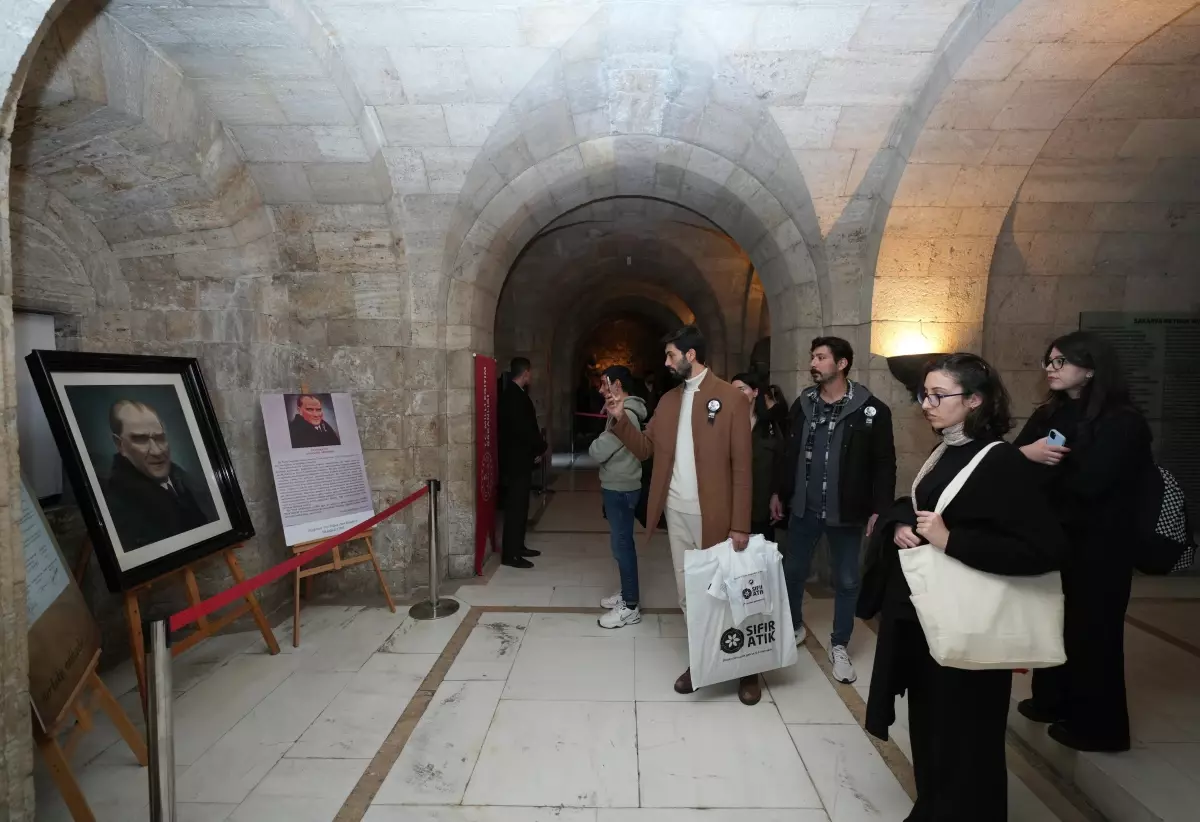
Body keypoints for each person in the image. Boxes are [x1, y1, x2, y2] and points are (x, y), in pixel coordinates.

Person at [858, 354, 1066, 822]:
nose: (927, 405)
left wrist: (952, 540)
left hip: (971, 620)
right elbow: (922, 507)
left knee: (966, 733)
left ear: (975, 400)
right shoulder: (946, 450)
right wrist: (900, 525)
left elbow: (1044, 548)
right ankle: (934, 805)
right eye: (923, 395)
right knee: (933, 726)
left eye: (938, 396)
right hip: (933, 618)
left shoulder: (1000, 461)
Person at [1013, 331, 1153, 753]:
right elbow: (1018, 458)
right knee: (1055, 621)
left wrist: (1048, 465)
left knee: (1094, 634)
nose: (1052, 369)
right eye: (1049, 362)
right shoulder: (1051, 412)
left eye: (1061, 362)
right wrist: (1034, 461)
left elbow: (1092, 483)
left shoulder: (1122, 420)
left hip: (1101, 547)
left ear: (1090, 368)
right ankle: (1052, 699)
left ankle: (1100, 727)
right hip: (1057, 539)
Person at [606, 325, 758, 705]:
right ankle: (703, 662)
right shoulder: (669, 401)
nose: (666, 362)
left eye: (671, 355)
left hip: (718, 515)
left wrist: (741, 523)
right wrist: (620, 418)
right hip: (676, 512)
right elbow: (644, 450)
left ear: (691, 355)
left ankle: (746, 668)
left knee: (727, 592)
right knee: (689, 595)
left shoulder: (730, 398)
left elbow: (742, 467)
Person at [770, 336, 896, 684]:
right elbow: (789, 452)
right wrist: (781, 492)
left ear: (841, 364)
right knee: (793, 571)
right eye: (812, 356)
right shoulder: (804, 403)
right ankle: (794, 626)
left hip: (846, 510)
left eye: (821, 357)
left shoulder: (871, 410)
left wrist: (879, 508)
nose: (814, 363)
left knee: (847, 579)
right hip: (804, 508)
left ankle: (839, 643)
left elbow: (884, 464)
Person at [104, 400, 218, 550]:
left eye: (160, 438)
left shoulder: (190, 483)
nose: (157, 451)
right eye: (141, 439)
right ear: (120, 445)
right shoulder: (117, 508)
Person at [590, 366, 649, 629]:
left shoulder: (627, 415)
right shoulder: (622, 412)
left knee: (623, 546)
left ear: (617, 384)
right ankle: (626, 594)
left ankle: (630, 606)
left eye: (604, 384)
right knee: (620, 545)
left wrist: (598, 439)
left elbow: (597, 450)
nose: (601, 389)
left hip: (622, 487)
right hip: (618, 485)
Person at [498, 358, 546, 569]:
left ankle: (519, 546)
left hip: (521, 458)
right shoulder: (513, 397)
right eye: (530, 373)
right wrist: (540, 447)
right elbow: (523, 430)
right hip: (516, 460)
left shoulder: (516, 394)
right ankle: (511, 554)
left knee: (522, 505)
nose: (531, 376)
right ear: (525, 373)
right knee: (515, 507)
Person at [731, 372, 784, 542]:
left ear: (755, 392)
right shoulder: (725, 423)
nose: (736, 394)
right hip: (731, 501)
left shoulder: (769, 425)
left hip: (761, 501)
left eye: (742, 389)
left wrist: (776, 494)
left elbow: (779, 461)